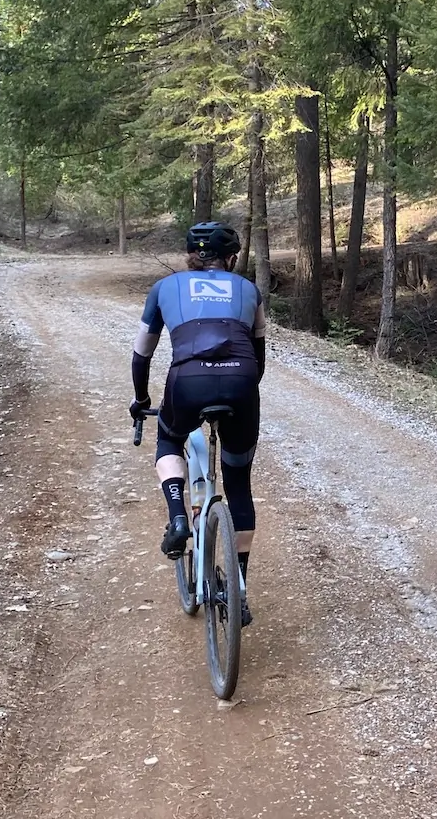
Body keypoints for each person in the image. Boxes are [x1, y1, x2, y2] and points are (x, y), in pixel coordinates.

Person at [130, 221, 266, 625]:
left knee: (168, 443)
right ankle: (237, 588)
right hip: (241, 381)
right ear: (232, 258)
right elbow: (258, 357)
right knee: (238, 481)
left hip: (187, 381)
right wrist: (240, 393)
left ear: (190, 255)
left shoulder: (164, 288)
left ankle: (177, 516)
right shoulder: (248, 289)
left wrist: (141, 400)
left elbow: (142, 356)